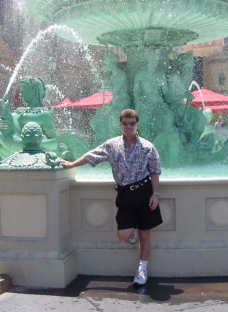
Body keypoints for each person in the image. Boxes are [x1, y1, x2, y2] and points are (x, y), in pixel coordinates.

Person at [60, 108, 162, 286]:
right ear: (120, 124)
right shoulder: (112, 145)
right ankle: (131, 234)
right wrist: (72, 164)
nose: (128, 126)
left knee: (145, 234)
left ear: (137, 124)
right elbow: (92, 155)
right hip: (124, 194)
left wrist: (155, 194)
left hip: (144, 192)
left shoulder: (147, 146)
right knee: (124, 235)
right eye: (125, 123)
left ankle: (142, 269)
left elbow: (154, 171)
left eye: (132, 123)